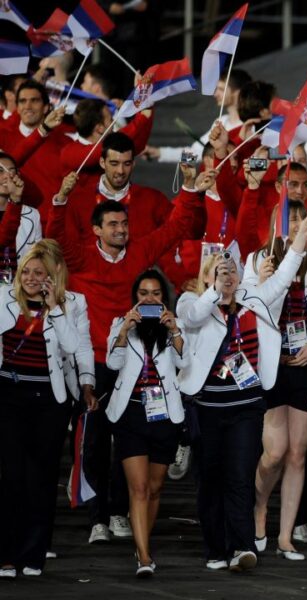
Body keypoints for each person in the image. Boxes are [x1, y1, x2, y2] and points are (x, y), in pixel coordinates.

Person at [49, 167, 210, 545]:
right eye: (113, 224)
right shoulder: (82, 257)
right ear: (97, 230)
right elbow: (56, 236)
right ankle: (98, 517)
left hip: (133, 368)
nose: (122, 229)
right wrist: (60, 199)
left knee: (126, 445)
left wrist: (189, 188)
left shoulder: (138, 252)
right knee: (93, 445)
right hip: (94, 366)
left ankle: (120, 512)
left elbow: (174, 229)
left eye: (124, 222)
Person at [176, 208, 307, 572]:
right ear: (207, 277)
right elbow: (190, 319)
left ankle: (241, 547)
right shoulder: (192, 303)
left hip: (247, 404)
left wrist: (300, 235)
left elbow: (285, 276)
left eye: (232, 271)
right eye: (220, 271)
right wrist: (213, 290)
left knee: (240, 475)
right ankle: (216, 548)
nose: (227, 277)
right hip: (207, 406)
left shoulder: (255, 302)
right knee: (211, 478)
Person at [248, 199, 307, 560]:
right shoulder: (258, 260)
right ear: (275, 224)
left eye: (302, 218)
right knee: (275, 452)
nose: (298, 224)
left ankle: (285, 535)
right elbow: (249, 307)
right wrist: (266, 281)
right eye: (290, 219)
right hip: (272, 363)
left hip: (304, 364)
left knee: (299, 453)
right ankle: (258, 506)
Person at [0, 241, 87, 579]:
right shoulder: (5, 299)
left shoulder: (64, 306)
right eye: (27, 272)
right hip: (9, 395)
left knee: (42, 477)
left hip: (49, 400)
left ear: (51, 278)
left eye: (40, 273)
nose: (32, 278)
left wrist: (55, 308)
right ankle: (7, 554)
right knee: (12, 476)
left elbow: (71, 347)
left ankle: (34, 554)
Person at [105, 270, 187, 577]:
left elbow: (185, 363)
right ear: (135, 298)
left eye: (155, 293)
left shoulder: (174, 327)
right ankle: (143, 556)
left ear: (164, 298)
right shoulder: (120, 324)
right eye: (143, 294)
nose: (149, 299)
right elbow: (113, 364)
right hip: (131, 414)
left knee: (154, 488)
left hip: (164, 416)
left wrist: (175, 330)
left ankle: (143, 541)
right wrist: (124, 331)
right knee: (138, 488)